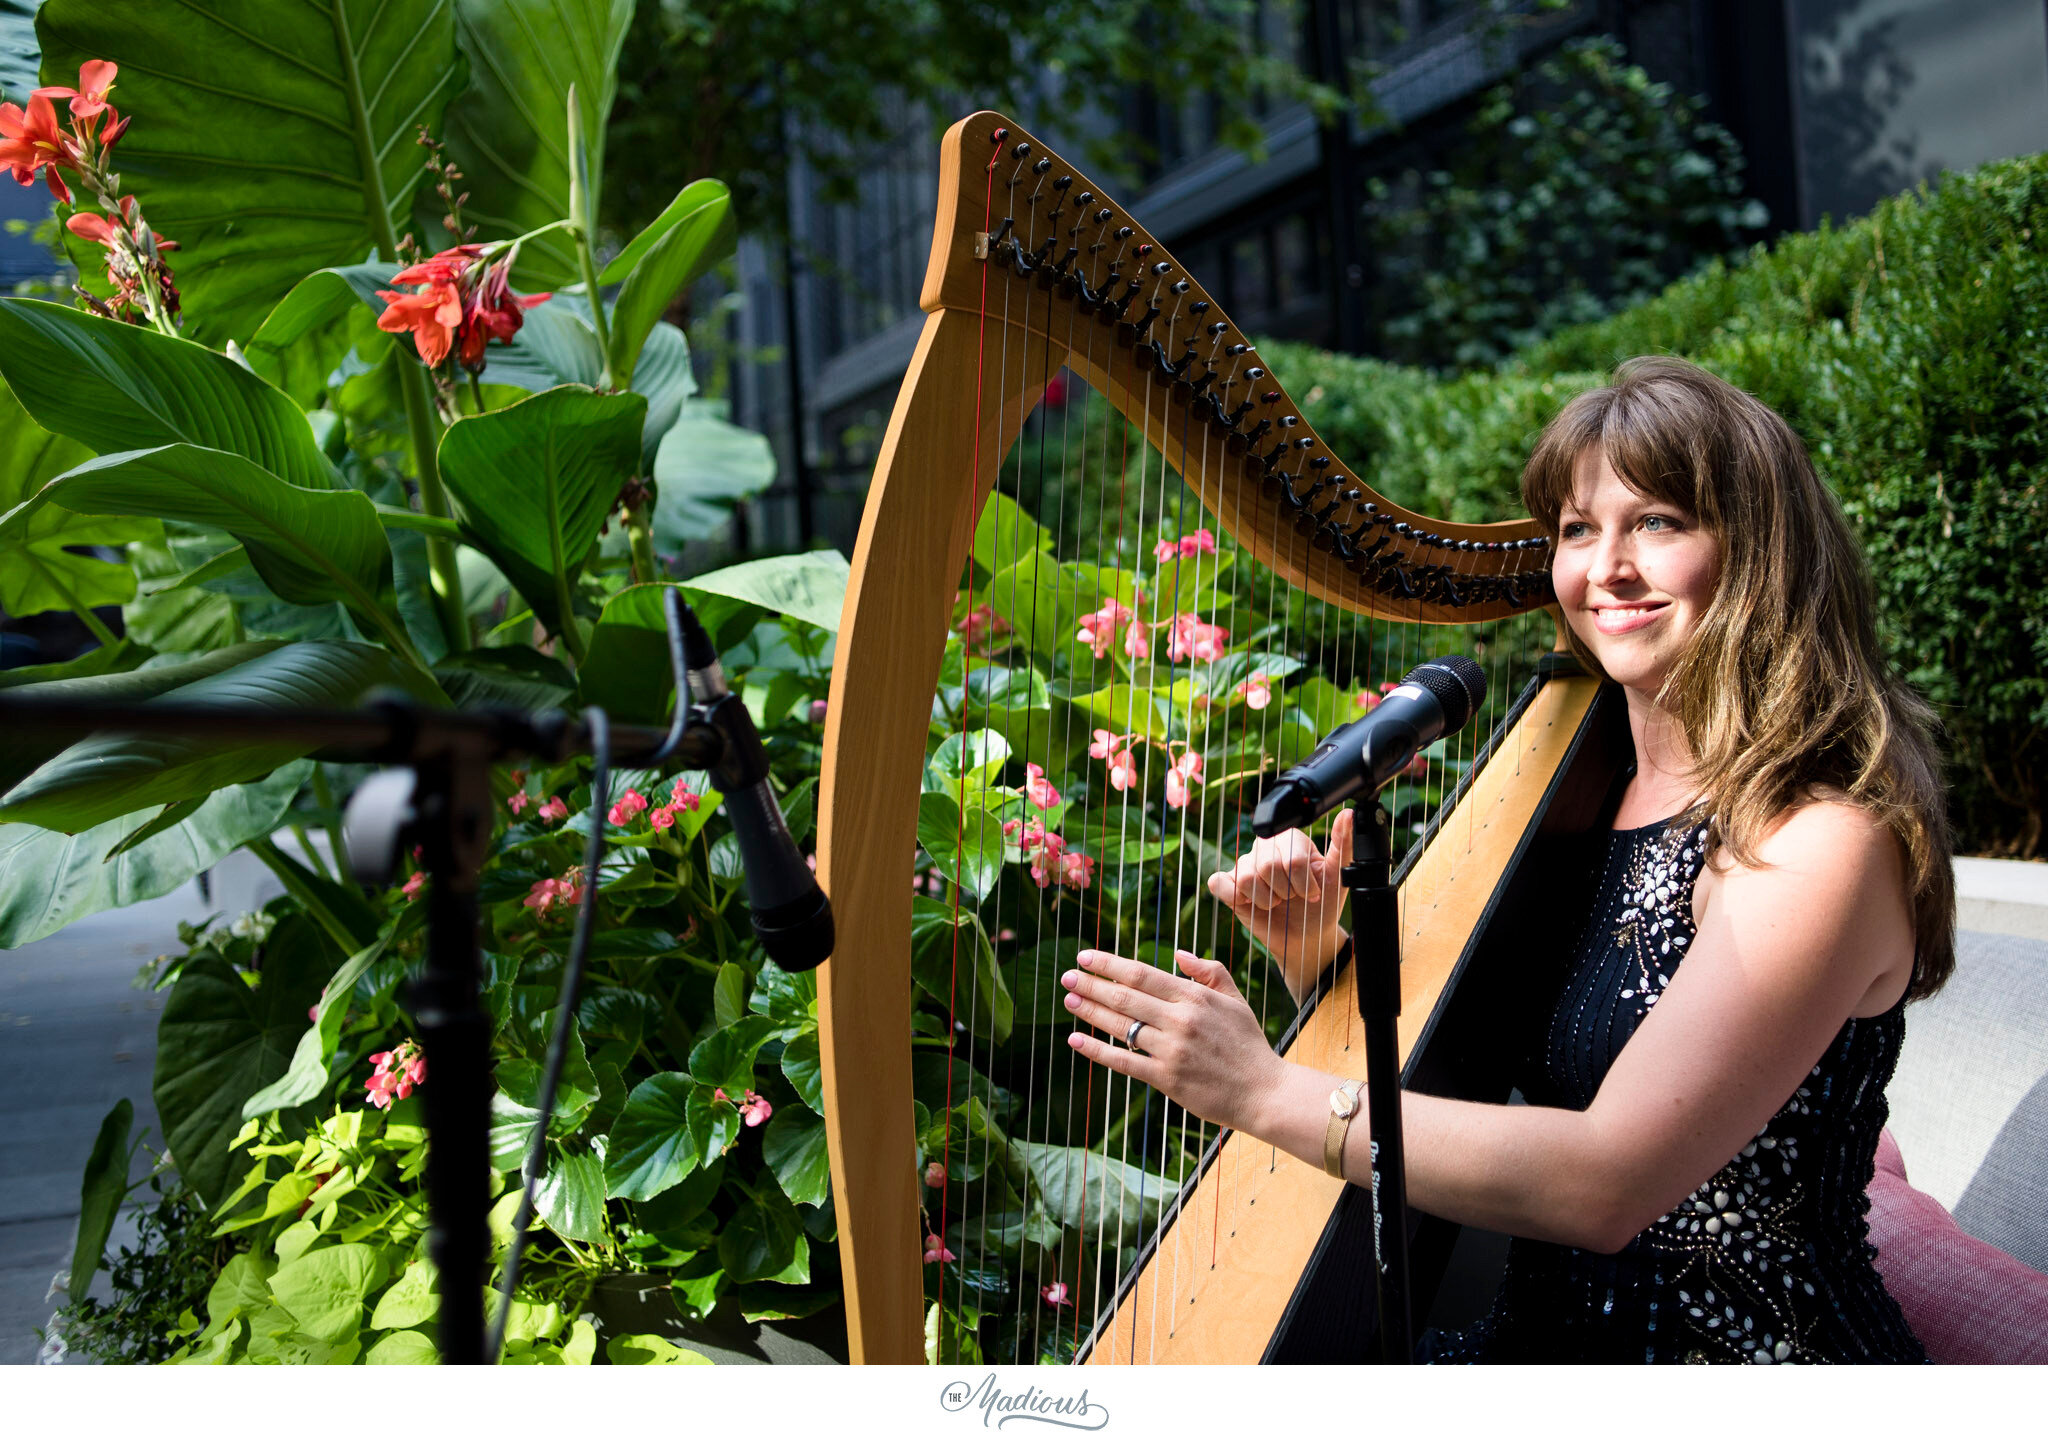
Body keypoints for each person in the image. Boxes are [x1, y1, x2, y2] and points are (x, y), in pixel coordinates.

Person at [1059, 356, 1955, 1363]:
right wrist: (1317, 955)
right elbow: (1482, 1069)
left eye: (1655, 521)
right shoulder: (1588, 792)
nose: (1605, 566)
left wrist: (1263, 1091)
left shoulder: (1817, 839)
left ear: (1757, 553)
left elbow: (1603, 1179)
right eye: (1578, 528)